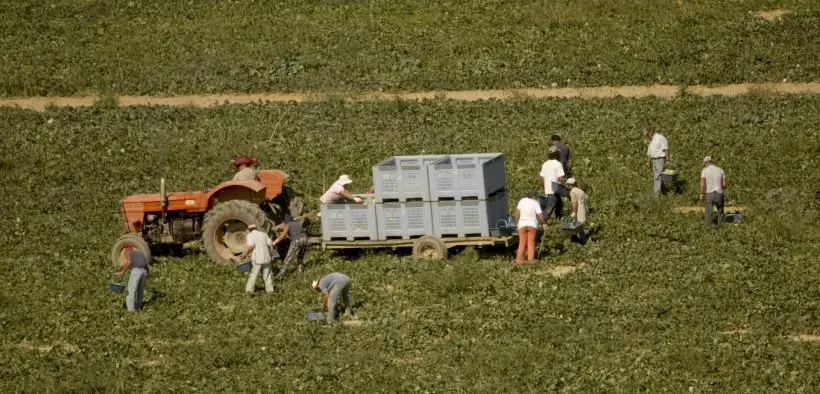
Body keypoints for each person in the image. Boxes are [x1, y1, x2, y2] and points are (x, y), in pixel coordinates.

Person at [238, 223, 275, 294]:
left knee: (254, 275)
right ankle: (270, 291)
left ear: (249, 229)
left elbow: (251, 246)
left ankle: (249, 291)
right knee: (267, 275)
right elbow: (271, 244)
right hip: (267, 258)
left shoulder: (250, 235)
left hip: (257, 259)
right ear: (256, 228)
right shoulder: (264, 234)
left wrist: (244, 255)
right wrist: (272, 255)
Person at [514, 190, 546, 264]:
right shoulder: (535, 203)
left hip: (522, 224)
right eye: (536, 196)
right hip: (532, 225)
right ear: (534, 196)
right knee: (530, 242)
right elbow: (540, 215)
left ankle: (519, 260)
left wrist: (517, 223)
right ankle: (530, 260)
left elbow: (517, 213)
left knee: (522, 242)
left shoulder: (522, 201)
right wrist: (544, 223)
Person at [114, 245, 149, 312]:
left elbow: (128, 262)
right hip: (144, 271)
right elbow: (146, 264)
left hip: (137, 271)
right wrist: (147, 274)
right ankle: (138, 306)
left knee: (131, 291)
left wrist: (122, 272)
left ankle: (131, 311)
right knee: (140, 291)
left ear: (127, 250)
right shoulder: (140, 253)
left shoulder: (128, 252)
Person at [538, 146, 566, 220]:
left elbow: (541, 178)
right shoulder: (558, 164)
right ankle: (541, 221)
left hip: (547, 189)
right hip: (554, 189)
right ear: (557, 154)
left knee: (559, 204)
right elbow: (560, 178)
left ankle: (559, 217)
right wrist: (565, 183)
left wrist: (542, 188)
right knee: (549, 208)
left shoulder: (545, 164)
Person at [700, 156, 727, 225]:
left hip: (709, 194)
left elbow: (702, 184)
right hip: (719, 193)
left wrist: (702, 194)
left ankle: (708, 228)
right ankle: (721, 226)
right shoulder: (720, 170)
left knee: (708, 212)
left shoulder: (704, 170)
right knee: (720, 211)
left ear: (706, 162)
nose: (704, 165)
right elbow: (724, 185)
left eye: (704, 164)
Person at [644, 125, 669, 194]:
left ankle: (656, 195)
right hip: (654, 160)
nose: (647, 135)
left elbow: (666, 149)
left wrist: (667, 160)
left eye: (647, 133)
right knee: (657, 176)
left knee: (657, 177)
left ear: (651, 131)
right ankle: (664, 192)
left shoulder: (660, 138)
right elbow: (651, 152)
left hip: (660, 159)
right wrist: (648, 161)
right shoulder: (651, 140)